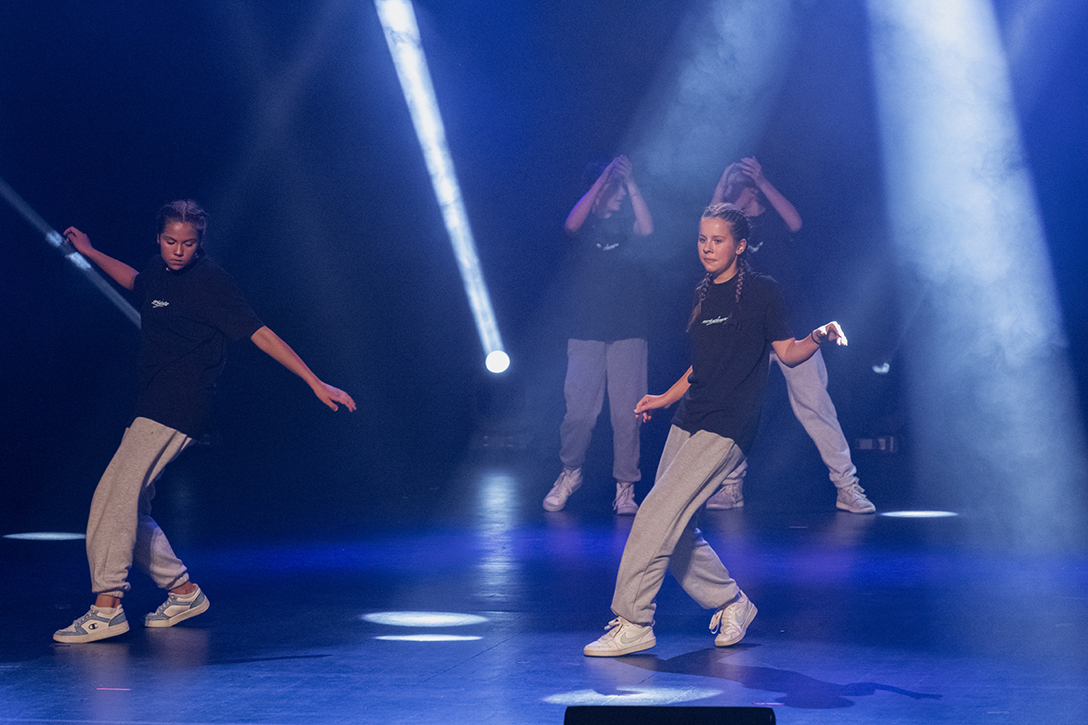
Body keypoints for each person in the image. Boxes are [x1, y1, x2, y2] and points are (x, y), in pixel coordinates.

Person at [53, 200, 356, 644]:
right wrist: (91, 251)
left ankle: (107, 606)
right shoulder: (157, 270)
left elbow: (260, 333)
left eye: (188, 243)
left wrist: (315, 381)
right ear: (159, 239)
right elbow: (135, 281)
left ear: (200, 244)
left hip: (179, 404)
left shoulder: (212, 281)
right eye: (171, 241)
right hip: (152, 402)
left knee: (112, 499)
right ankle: (183, 592)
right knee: (130, 507)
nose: (179, 251)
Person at [584, 203, 847, 656]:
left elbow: (787, 352)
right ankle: (731, 602)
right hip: (690, 418)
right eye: (703, 239)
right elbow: (701, 366)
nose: (707, 248)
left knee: (654, 515)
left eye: (718, 240)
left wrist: (819, 336)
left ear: (740, 246)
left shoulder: (762, 292)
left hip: (728, 425)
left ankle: (634, 621)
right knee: (676, 527)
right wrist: (665, 398)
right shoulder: (703, 293)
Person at [705, 158, 874, 514]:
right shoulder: (732, 235)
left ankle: (847, 486)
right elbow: (710, 223)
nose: (740, 191)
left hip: (792, 328)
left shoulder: (774, 218)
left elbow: (795, 221)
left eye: (743, 185)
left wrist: (762, 181)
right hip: (747, 333)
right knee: (735, 412)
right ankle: (731, 487)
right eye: (735, 187)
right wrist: (722, 186)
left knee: (816, 409)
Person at [544, 155, 654, 516]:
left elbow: (648, 230)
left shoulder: (628, 229)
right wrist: (604, 177)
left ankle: (625, 487)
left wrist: (630, 182)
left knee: (627, 416)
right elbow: (571, 225)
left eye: (622, 190)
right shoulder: (584, 226)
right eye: (614, 190)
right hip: (585, 331)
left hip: (629, 330)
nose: (619, 195)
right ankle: (570, 473)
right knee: (578, 415)